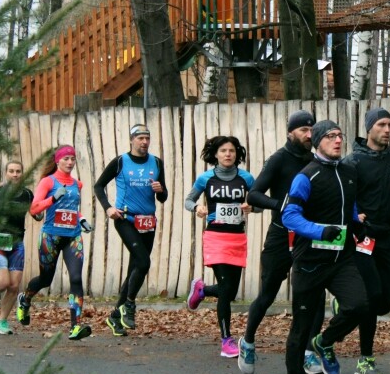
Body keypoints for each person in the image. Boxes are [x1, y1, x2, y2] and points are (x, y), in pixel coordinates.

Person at [223, 110, 323, 374]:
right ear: (290, 132)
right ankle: (248, 341)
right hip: (281, 234)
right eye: (303, 130)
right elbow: (253, 195)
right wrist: (281, 205)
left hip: (307, 236)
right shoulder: (279, 160)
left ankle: (309, 352)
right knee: (268, 293)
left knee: (315, 293)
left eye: (312, 130)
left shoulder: (316, 160)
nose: (309, 135)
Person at [280, 120, 369, 374]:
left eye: (340, 135)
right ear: (318, 141)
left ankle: (326, 341)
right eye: (330, 136)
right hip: (310, 262)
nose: (338, 140)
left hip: (342, 259)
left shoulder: (349, 171)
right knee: (302, 325)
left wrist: (355, 223)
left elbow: (349, 204)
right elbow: (289, 216)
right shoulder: (306, 176)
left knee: (359, 306)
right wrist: (320, 230)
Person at [343, 107, 390, 374]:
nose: (387, 130)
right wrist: (354, 214)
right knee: (371, 298)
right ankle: (366, 359)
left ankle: (346, 304)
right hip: (361, 238)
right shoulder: (353, 162)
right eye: (382, 125)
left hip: (385, 237)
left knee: (384, 302)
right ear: (369, 128)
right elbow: (343, 196)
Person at [95, 124, 169, 337]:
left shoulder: (156, 163)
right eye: (140, 138)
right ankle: (129, 305)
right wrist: (108, 208)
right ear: (131, 140)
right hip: (125, 219)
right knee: (144, 262)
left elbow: (163, 197)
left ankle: (114, 317)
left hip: (148, 222)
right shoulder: (120, 162)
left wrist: (160, 190)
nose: (144, 142)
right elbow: (99, 186)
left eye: (147, 138)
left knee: (134, 269)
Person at [184, 136, 254, 358]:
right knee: (225, 289)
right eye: (223, 150)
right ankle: (226, 341)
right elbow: (188, 200)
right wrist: (197, 208)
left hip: (237, 237)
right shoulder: (206, 178)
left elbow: (259, 202)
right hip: (215, 235)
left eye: (231, 150)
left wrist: (251, 206)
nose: (227, 154)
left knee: (230, 291)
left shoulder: (246, 178)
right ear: (215, 154)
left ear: (237, 154)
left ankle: (203, 290)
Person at [19, 145, 94, 340]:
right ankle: (25, 299)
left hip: (72, 236)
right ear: (57, 161)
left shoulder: (77, 184)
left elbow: (71, 208)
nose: (70, 162)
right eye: (66, 159)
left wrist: (81, 218)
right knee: (45, 280)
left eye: (72, 159)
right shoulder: (47, 182)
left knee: (76, 278)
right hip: (50, 237)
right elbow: (34, 209)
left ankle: (75, 327)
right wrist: (52, 198)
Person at [0, 160, 40, 334]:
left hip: (17, 243)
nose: (15, 174)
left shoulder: (27, 194)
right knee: (3, 281)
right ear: (6, 173)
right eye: (11, 171)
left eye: (18, 171)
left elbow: (37, 214)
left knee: (13, 286)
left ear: (22, 174)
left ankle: (1, 322)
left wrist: (44, 206)